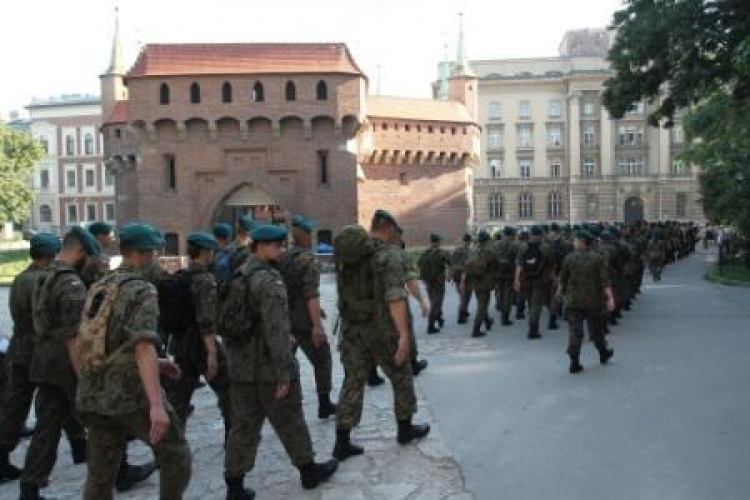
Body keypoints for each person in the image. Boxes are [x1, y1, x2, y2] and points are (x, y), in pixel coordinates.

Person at [75, 222, 191, 500]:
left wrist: (158, 364)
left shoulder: (101, 284)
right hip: (128, 392)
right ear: (141, 254)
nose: (155, 259)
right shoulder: (142, 290)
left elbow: (101, 337)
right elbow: (142, 345)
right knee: (176, 456)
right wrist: (155, 406)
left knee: (101, 471)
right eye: (153, 253)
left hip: (93, 389)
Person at [223, 224, 338, 500]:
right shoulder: (269, 281)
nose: (281, 250)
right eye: (277, 246)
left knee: (243, 427)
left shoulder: (239, 275)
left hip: (241, 369)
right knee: (290, 419)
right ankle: (309, 471)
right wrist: (284, 372)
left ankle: (234, 485)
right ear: (261, 247)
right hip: (267, 368)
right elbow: (276, 331)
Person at [332, 210, 430, 464]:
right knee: (401, 375)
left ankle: (342, 441)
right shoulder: (389, 256)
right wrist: (404, 336)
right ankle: (405, 429)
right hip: (380, 329)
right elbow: (395, 297)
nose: (396, 234)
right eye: (394, 229)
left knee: (352, 380)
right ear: (386, 227)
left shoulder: (349, 256)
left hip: (352, 327)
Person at [17, 228, 97, 499]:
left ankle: (30, 485)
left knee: (47, 425)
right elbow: (73, 336)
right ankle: (117, 473)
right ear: (80, 252)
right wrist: (83, 374)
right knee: (103, 418)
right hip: (65, 362)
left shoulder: (41, 276)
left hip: (44, 360)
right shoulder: (69, 283)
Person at [0, 234, 84, 484]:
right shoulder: (47, 280)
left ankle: (3, 454)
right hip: (42, 352)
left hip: (19, 349)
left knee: (18, 406)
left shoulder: (20, 278)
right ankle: (81, 447)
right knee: (56, 403)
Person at [166, 231, 232, 438]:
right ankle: (233, 437)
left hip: (180, 343)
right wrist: (212, 353)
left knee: (179, 399)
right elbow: (206, 320)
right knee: (228, 391)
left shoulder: (182, 276)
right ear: (205, 252)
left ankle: (172, 446)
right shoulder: (204, 280)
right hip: (200, 343)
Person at [278, 215, 337, 419]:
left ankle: (282, 404)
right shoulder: (308, 261)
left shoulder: (283, 257)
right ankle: (324, 403)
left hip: (285, 319)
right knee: (323, 359)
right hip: (303, 322)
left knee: (285, 362)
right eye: (309, 233)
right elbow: (310, 294)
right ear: (304, 237)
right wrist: (317, 326)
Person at [557, 230, 615, 373]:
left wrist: (558, 293)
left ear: (582, 242)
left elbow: (562, 280)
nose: (573, 242)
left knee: (575, 332)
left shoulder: (569, 258)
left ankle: (574, 362)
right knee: (596, 331)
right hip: (593, 301)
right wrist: (610, 299)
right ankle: (603, 353)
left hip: (573, 301)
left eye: (575, 240)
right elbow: (604, 282)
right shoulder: (598, 259)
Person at [514, 226, 555, 339]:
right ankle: (533, 330)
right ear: (541, 235)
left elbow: (519, 264)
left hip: (526, 279)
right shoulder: (546, 247)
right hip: (540, 281)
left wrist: (516, 280)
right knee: (536, 306)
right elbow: (552, 264)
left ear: (531, 234)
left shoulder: (523, 246)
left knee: (531, 304)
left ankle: (531, 326)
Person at [461, 230, 496, 337]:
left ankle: (488, 321)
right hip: (485, 282)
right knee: (482, 305)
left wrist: (464, 281)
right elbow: (496, 264)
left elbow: (466, 266)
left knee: (481, 303)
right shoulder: (489, 251)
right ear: (487, 239)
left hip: (475, 281)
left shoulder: (473, 250)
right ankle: (476, 330)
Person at [418, 233, 451, 334]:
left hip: (428, 282)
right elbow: (450, 263)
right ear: (438, 242)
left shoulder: (425, 253)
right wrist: (448, 275)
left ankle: (439, 318)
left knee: (434, 302)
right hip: (438, 283)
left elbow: (419, 264)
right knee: (437, 304)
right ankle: (430, 326)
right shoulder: (442, 253)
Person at [493, 227, 518, 326]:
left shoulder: (495, 244)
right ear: (511, 235)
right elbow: (518, 258)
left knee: (499, 291)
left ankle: (499, 305)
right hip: (509, 273)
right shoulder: (513, 245)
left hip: (498, 272)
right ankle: (505, 317)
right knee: (508, 295)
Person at [81, 221, 114, 286]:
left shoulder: (84, 254)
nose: (112, 239)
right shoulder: (100, 259)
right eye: (110, 235)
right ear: (100, 236)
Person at [453, 233, 473, 324]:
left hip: (457, 277)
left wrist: (450, 275)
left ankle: (464, 312)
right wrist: (462, 281)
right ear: (469, 241)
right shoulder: (469, 252)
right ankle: (461, 317)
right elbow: (466, 267)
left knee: (462, 297)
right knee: (465, 298)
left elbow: (452, 264)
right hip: (465, 278)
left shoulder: (457, 250)